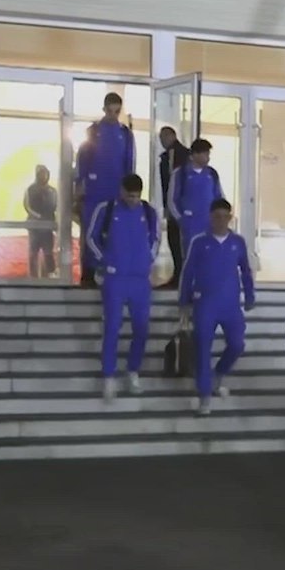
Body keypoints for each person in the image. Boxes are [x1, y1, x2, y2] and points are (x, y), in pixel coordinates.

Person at [86, 174, 161, 401]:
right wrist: (105, 260)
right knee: (112, 327)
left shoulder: (148, 212)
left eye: (137, 196)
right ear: (121, 191)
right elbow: (91, 237)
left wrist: (148, 259)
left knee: (141, 328)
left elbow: (156, 239)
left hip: (139, 280)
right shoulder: (106, 209)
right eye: (129, 196)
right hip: (115, 279)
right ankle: (109, 377)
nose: (133, 200)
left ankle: (132, 372)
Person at [179, 199, 255, 417]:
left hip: (230, 305)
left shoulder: (238, 242)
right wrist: (184, 302)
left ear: (230, 218)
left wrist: (249, 294)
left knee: (237, 344)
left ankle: (218, 375)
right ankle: (204, 397)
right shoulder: (199, 242)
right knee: (203, 349)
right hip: (205, 305)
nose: (221, 221)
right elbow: (188, 273)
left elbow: (246, 271)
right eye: (217, 217)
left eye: (225, 216)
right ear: (210, 217)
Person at [76, 93, 136, 288]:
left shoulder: (126, 134)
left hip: (116, 191)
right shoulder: (93, 131)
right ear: (104, 109)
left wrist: (129, 190)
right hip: (94, 191)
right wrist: (80, 186)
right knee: (90, 231)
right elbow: (82, 160)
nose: (113, 115)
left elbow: (130, 164)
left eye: (117, 111)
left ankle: (112, 269)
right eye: (110, 111)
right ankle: (88, 272)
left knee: (113, 231)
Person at [167, 138, 223, 266]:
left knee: (210, 260)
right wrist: (181, 220)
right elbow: (172, 200)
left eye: (209, 154)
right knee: (191, 260)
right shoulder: (180, 174)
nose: (208, 157)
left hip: (210, 224)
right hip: (190, 226)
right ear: (194, 155)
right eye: (205, 154)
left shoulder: (212, 174)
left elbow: (219, 197)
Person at [158, 126, 190, 288]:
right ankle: (178, 275)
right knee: (174, 240)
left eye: (163, 137)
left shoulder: (180, 155)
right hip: (173, 205)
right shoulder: (166, 157)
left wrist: (173, 206)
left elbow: (173, 183)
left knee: (177, 241)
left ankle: (181, 277)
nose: (161, 141)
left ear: (171, 136)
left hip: (179, 206)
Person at [24, 165, 58, 278]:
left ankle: (48, 275)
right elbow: (27, 206)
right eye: (41, 173)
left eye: (45, 173)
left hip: (47, 227)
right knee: (33, 253)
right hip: (35, 226)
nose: (44, 176)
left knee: (48, 252)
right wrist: (38, 217)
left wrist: (54, 223)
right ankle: (33, 277)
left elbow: (55, 207)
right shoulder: (30, 189)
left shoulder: (52, 191)